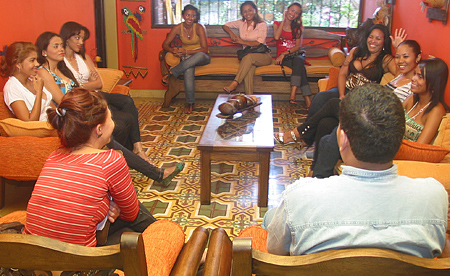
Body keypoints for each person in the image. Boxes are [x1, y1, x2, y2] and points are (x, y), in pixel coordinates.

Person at [261, 83, 448, 258]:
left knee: (271, 217)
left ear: (343, 140)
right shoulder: (434, 196)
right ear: (399, 139)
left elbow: (275, 252)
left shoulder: (298, 196)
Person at [24, 88, 157, 246]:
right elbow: (131, 213)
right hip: (81, 261)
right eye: (110, 118)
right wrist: (111, 205)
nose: (113, 122)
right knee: (134, 215)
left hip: (31, 253)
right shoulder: (111, 160)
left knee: (120, 208)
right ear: (99, 130)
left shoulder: (54, 155)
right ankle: (161, 238)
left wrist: (106, 205)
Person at [275, 40, 422, 174]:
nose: (401, 61)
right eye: (398, 56)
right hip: (369, 112)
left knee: (333, 105)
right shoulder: (399, 76)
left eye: (406, 57)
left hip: (371, 122)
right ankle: (318, 172)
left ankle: (300, 135)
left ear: (418, 58)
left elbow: (399, 111)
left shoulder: (412, 85)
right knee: (326, 124)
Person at [312, 57, 449, 178]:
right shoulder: (412, 99)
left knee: (332, 134)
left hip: (394, 150)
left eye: (420, 76)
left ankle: (318, 177)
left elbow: (420, 148)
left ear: (433, 82)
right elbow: (389, 117)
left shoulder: (436, 110)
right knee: (327, 127)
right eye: (415, 74)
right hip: (384, 139)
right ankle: (321, 177)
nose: (413, 79)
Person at [307, 24, 399, 118]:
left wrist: (397, 48)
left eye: (378, 38)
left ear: (384, 41)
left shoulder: (386, 59)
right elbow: (343, 73)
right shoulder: (356, 51)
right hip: (345, 89)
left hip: (363, 97)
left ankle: (305, 130)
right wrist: (342, 95)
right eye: (371, 37)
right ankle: (307, 129)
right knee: (320, 97)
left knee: (329, 115)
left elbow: (400, 74)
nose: (373, 41)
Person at [161, 4, 211, 114]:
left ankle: (171, 73)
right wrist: (172, 50)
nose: (190, 18)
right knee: (188, 68)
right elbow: (165, 44)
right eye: (188, 15)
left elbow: (204, 49)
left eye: (193, 16)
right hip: (188, 59)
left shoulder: (199, 27)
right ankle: (190, 103)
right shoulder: (178, 28)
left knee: (197, 56)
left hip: (202, 56)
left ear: (196, 17)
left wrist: (187, 51)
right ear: (183, 15)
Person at [222, 1, 272, 94]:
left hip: (263, 56)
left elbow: (259, 43)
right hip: (249, 56)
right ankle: (249, 98)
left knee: (248, 58)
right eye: (244, 11)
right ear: (242, 13)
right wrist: (231, 34)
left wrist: (242, 41)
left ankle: (235, 83)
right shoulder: (241, 23)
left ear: (255, 10)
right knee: (249, 69)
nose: (247, 13)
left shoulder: (262, 24)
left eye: (250, 10)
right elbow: (225, 25)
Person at [1, 42, 55, 121]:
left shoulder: (33, 79)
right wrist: (39, 92)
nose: (37, 64)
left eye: (36, 59)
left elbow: (52, 107)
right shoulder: (12, 87)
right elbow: (30, 121)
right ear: (18, 64)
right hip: (41, 129)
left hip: (54, 124)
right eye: (32, 60)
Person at [273, 2, 312, 108]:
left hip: (293, 55)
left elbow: (298, 46)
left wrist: (285, 53)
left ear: (298, 16)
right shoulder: (277, 23)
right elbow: (276, 37)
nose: (293, 14)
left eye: (297, 13)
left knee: (298, 60)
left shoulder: (298, 27)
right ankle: (307, 99)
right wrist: (283, 20)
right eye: (292, 10)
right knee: (300, 67)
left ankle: (293, 93)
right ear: (287, 10)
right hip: (284, 58)